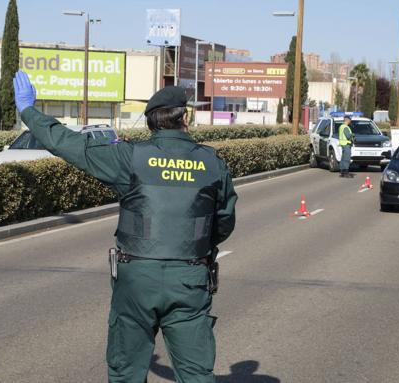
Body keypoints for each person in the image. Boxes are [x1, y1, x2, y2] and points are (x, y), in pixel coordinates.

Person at [13, 71, 238, 383]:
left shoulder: (129, 157)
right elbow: (225, 220)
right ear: (184, 119)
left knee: (126, 372)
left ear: (150, 123)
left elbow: (69, 144)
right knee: (197, 374)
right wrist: (195, 249)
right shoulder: (212, 163)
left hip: (136, 280)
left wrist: (28, 111)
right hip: (190, 278)